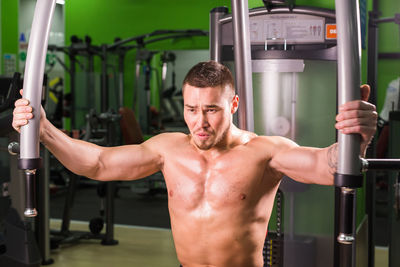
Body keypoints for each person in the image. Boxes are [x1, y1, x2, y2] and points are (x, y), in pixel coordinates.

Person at [12, 61, 377, 267]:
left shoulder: (265, 152)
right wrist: (43, 129)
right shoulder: (167, 149)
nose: (200, 122)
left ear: (233, 106)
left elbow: (324, 166)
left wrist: (354, 140)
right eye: (191, 109)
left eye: (212, 110)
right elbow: (98, 164)